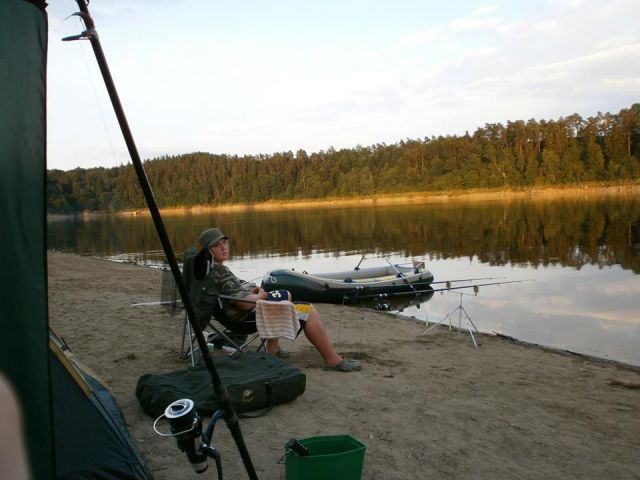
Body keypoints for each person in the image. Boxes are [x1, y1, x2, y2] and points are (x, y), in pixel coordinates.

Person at [195, 227, 361, 372]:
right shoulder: (219, 270)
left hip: (231, 315)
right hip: (243, 319)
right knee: (308, 310)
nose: (224, 247)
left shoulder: (205, 268)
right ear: (207, 251)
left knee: (283, 295)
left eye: (225, 243)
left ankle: (273, 349)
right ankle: (332, 360)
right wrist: (260, 295)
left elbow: (232, 295)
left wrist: (249, 292)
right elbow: (244, 305)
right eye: (218, 245)